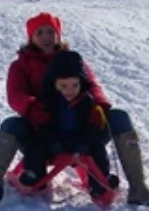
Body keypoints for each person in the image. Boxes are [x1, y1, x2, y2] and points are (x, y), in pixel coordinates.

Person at [0, 13, 149, 206]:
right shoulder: (20, 65)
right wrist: (32, 107)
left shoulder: (72, 60)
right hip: (41, 130)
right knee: (11, 124)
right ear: (31, 37)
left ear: (58, 34)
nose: (46, 37)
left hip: (82, 127)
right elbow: (15, 94)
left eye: (50, 32)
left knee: (119, 118)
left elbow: (92, 85)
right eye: (39, 33)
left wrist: (99, 106)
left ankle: (138, 188)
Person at [17, 50, 116, 198]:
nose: (69, 91)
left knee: (98, 150)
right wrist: (54, 143)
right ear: (54, 84)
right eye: (63, 86)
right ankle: (34, 174)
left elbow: (92, 128)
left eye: (74, 85)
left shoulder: (87, 102)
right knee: (35, 146)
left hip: (80, 142)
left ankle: (100, 183)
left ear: (81, 83)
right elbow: (44, 125)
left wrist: (83, 145)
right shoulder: (48, 101)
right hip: (54, 142)